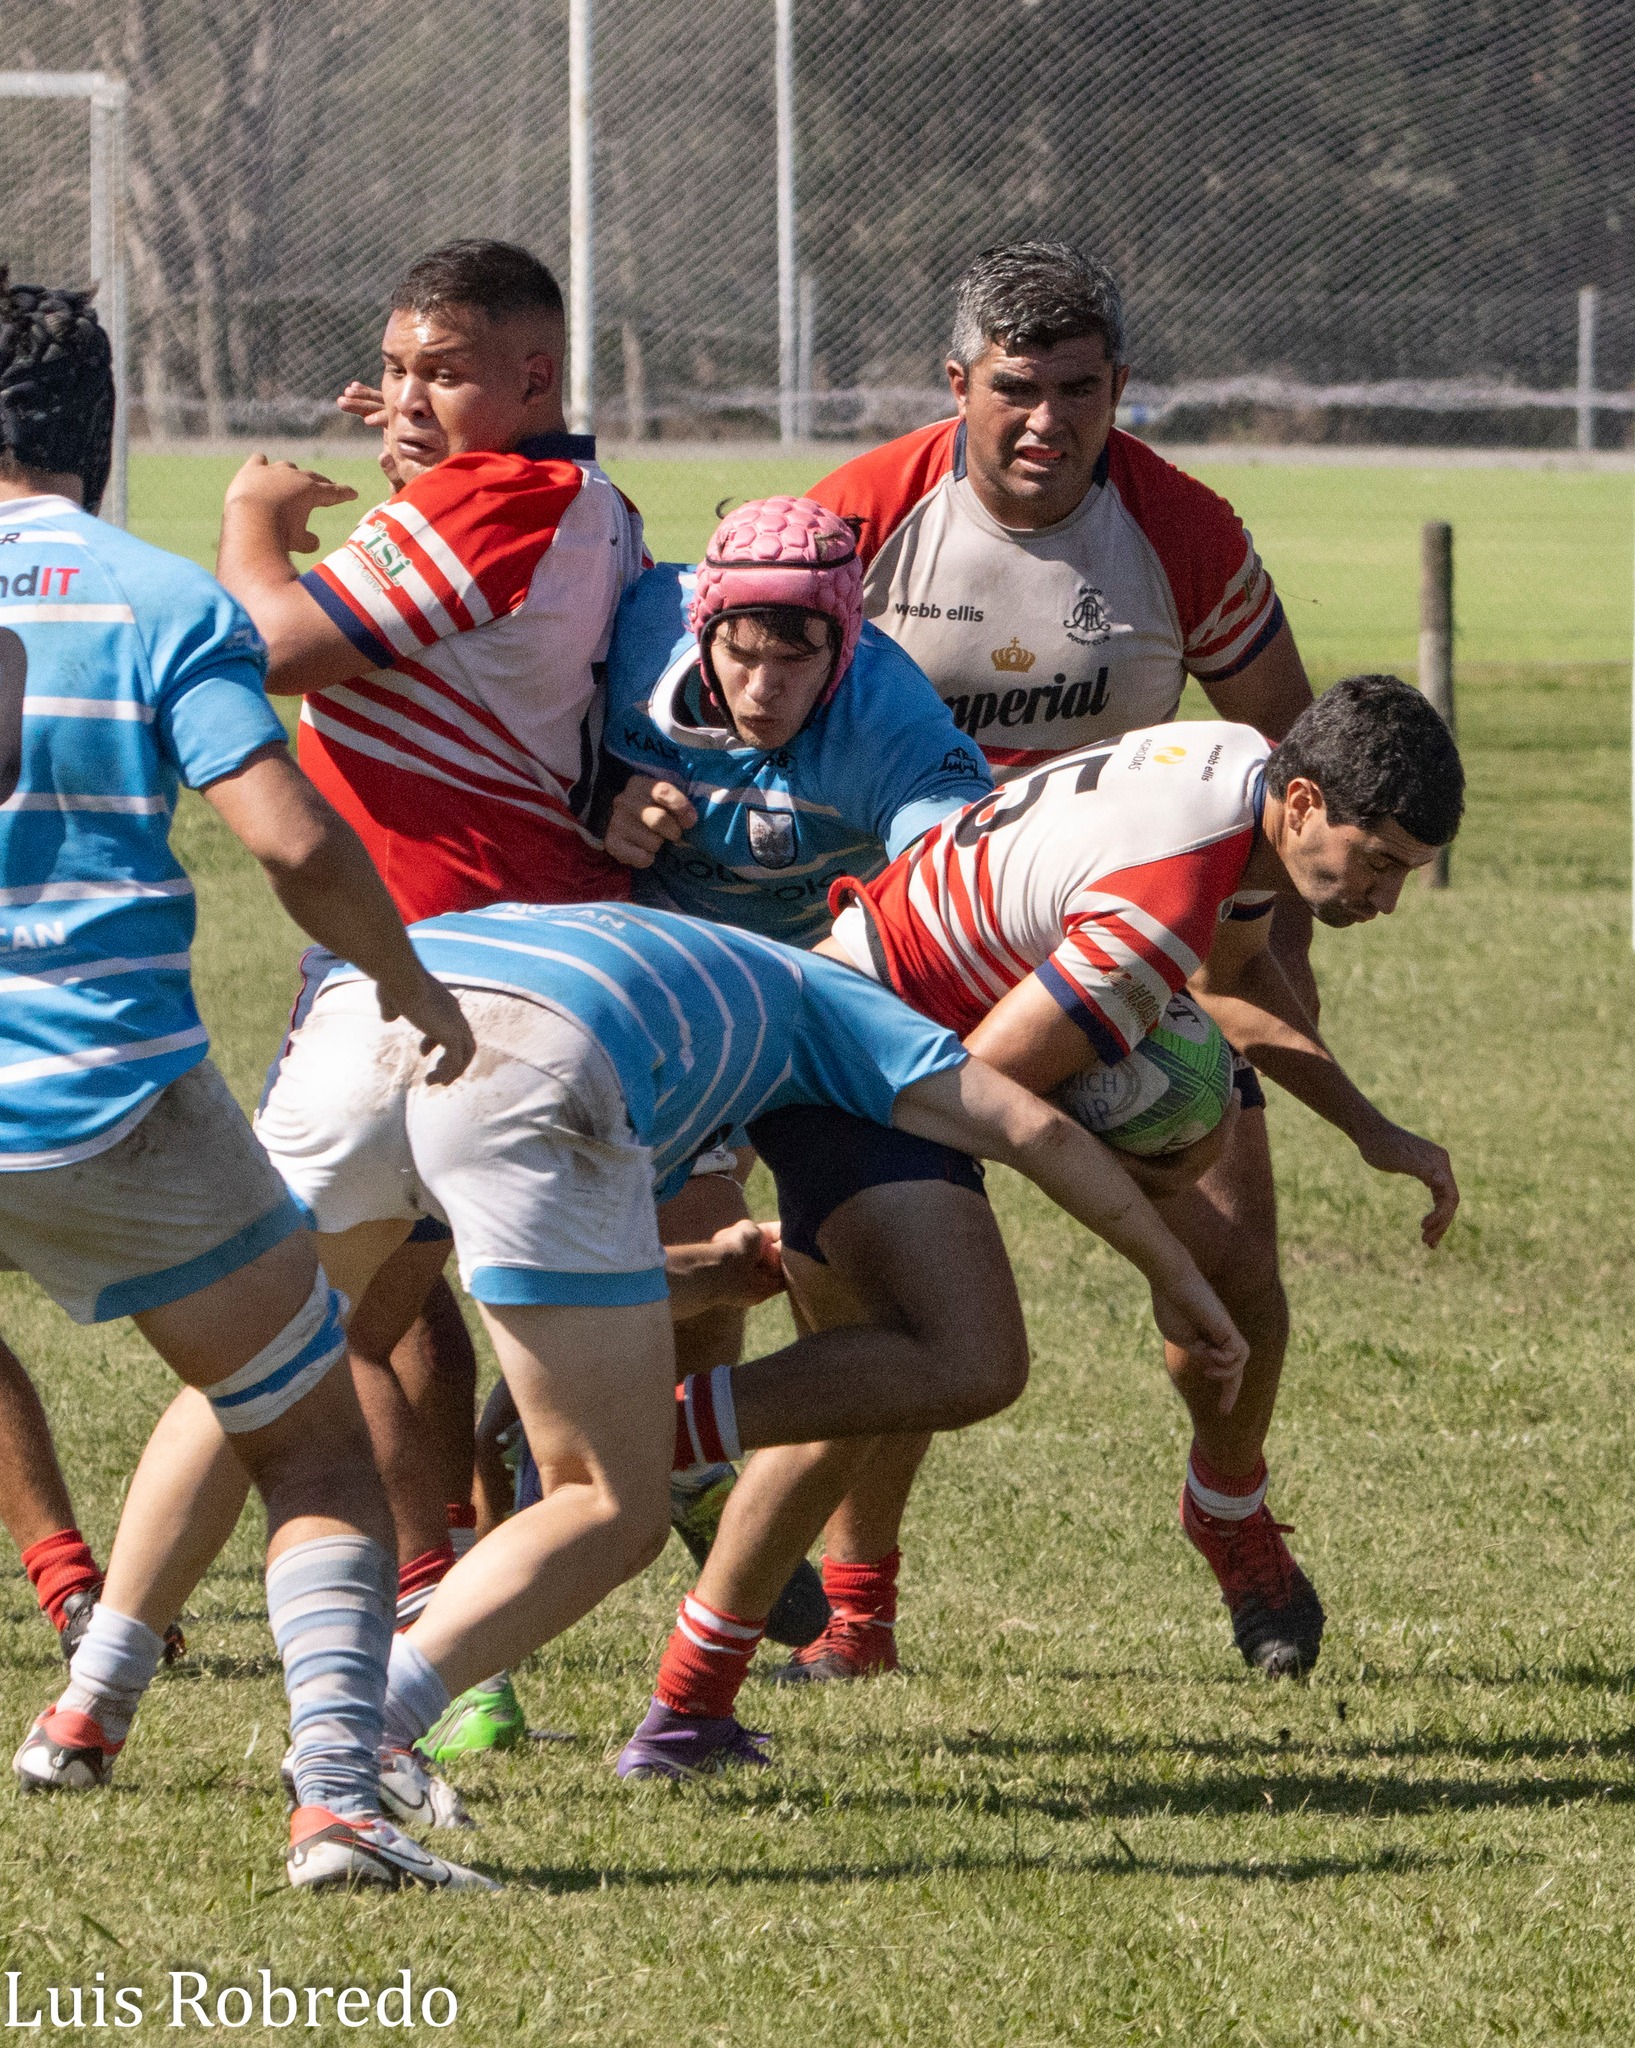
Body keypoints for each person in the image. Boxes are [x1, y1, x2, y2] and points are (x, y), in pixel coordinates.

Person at [769, 239, 1332, 1679]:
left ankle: (1230, 1512)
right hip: (900, 960)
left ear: (1117, 388)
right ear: (953, 384)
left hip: (1132, 959)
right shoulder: (859, 519)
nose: (1046, 422)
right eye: (1014, 390)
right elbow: (734, 685)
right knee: (888, 1315)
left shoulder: (1179, 530)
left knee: (1238, 1281)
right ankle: (858, 1609)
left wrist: (1270, 970)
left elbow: (1296, 758)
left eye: (1077, 391)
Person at [678, 681, 1464, 1710]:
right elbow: (986, 1096)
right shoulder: (1155, 906)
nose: (1388, 897)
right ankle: (682, 1465)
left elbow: (1228, 974)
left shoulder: (1239, 769)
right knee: (926, 1359)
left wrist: (1368, 1125)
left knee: (1228, 1280)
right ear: (1308, 797)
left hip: (931, 1034)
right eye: (1379, 863)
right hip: (868, 1054)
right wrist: (1144, 1191)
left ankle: (1227, 1510)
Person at [0, 271, 486, 1891]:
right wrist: (406, 979)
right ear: (105, 424)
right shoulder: (154, 602)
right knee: (312, 1446)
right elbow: (287, 835)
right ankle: (338, 1799)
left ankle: (91, 1696)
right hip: (108, 1102)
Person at [213, 238, 648, 1740]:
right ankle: (457, 1593)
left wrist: (254, 517)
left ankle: (435, 1609)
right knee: (415, 1299)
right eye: (394, 367)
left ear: (536, 376)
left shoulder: (502, 495)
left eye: (443, 370)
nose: (407, 392)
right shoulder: (580, 495)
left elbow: (268, 646)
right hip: (540, 949)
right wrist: (409, 463)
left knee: (318, 1312)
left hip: (437, 960)